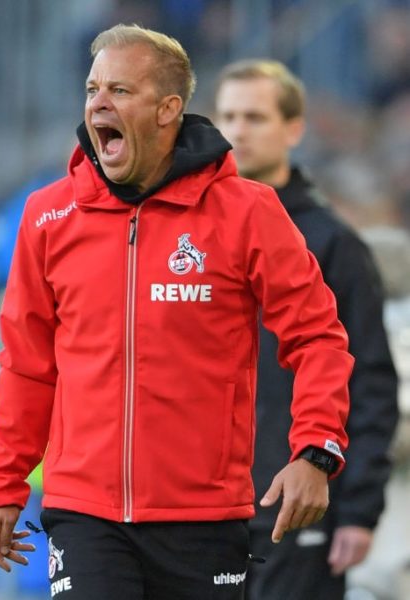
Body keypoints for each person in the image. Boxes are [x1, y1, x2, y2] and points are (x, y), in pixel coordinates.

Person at [0, 24, 354, 599]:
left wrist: (316, 449)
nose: (99, 103)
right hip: (84, 516)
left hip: (205, 517)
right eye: (92, 88)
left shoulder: (246, 212)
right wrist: (2, 485)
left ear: (168, 108)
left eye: (121, 91)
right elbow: (27, 365)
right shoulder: (48, 217)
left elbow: (317, 336)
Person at [214, 59, 399, 600]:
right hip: (204, 504)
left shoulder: (333, 243)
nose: (238, 131)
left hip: (298, 503)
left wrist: (359, 508)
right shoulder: (192, 234)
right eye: (227, 116)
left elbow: (369, 380)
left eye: (255, 116)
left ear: (294, 129)